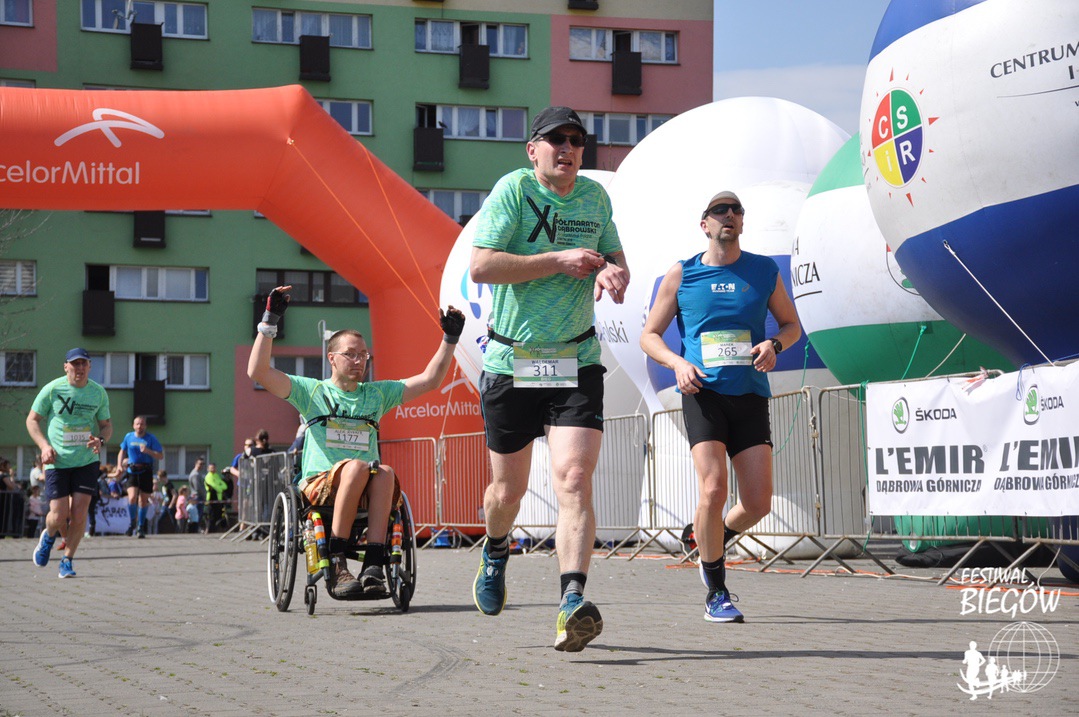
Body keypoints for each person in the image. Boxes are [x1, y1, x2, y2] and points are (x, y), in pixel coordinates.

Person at [468, 106, 629, 652]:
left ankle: (571, 602)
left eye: (577, 140)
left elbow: (616, 258)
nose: (568, 148)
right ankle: (495, 551)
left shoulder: (596, 198)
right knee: (507, 493)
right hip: (512, 361)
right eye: (556, 139)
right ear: (532, 149)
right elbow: (481, 266)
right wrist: (558, 260)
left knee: (574, 478)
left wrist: (613, 271)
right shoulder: (514, 190)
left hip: (576, 360)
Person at [640, 190, 801, 623]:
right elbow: (649, 336)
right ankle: (716, 591)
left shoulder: (763, 271)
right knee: (713, 489)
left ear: (742, 222)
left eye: (736, 210)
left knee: (758, 503)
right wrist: (677, 364)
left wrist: (774, 344)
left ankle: (711, 535)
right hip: (703, 394)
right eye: (719, 211)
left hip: (749, 394)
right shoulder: (683, 274)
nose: (729, 215)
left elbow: (791, 325)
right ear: (704, 224)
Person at [248, 285, 464, 599]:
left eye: (363, 354)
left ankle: (373, 564)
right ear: (332, 359)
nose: (359, 360)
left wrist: (450, 338)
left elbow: (430, 380)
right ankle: (336, 560)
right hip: (320, 484)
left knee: (385, 472)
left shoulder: (376, 394)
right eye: (350, 354)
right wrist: (270, 321)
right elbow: (258, 371)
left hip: (364, 482)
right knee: (358, 467)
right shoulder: (311, 391)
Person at [26, 347, 112, 578]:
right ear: (66, 367)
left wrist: (101, 440)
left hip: (86, 460)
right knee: (58, 515)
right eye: (75, 364)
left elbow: (106, 425)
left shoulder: (98, 393)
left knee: (80, 513)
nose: (79, 368)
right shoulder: (53, 389)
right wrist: (44, 447)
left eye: (84, 363)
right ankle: (48, 536)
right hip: (57, 461)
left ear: (90, 366)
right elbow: (32, 420)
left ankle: (67, 560)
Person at [114, 415, 164, 538]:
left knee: (143, 500)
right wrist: (119, 465)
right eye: (137, 424)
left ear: (145, 426)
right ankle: (132, 523)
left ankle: (141, 527)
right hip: (132, 470)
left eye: (142, 424)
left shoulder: (151, 438)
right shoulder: (128, 436)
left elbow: (160, 455)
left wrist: (148, 451)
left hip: (146, 471)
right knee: (132, 498)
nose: (139, 426)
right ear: (133, 425)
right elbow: (122, 451)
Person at [203, 462, 228, 532]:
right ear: (208, 469)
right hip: (211, 498)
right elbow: (214, 486)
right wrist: (220, 488)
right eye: (211, 468)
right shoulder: (208, 477)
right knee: (211, 515)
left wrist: (219, 488)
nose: (213, 469)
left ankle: (217, 529)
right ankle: (209, 530)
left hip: (219, 498)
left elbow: (224, 486)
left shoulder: (217, 476)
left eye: (214, 468)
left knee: (219, 514)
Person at [187, 457, 205, 534]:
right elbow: (198, 488)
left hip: (198, 497)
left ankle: (196, 529)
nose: (201, 466)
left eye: (203, 464)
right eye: (200, 464)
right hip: (197, 497)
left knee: (198, 515)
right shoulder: (195, 474)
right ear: (196, 464)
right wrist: (204, 495)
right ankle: (195, 530)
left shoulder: (198, 473)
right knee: (197, 515)